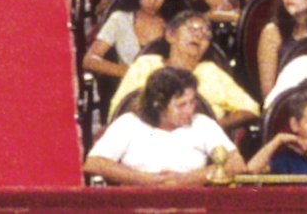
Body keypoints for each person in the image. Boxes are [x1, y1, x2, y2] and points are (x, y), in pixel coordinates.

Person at [85, 66, 244, 186]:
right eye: (181, 105)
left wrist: (185, 180)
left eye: (192, 102)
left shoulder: (203, 124)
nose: (190, 110)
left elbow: (236, 164)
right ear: (158, 105)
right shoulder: (129, 124)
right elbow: (94, 163)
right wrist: (147, 180)